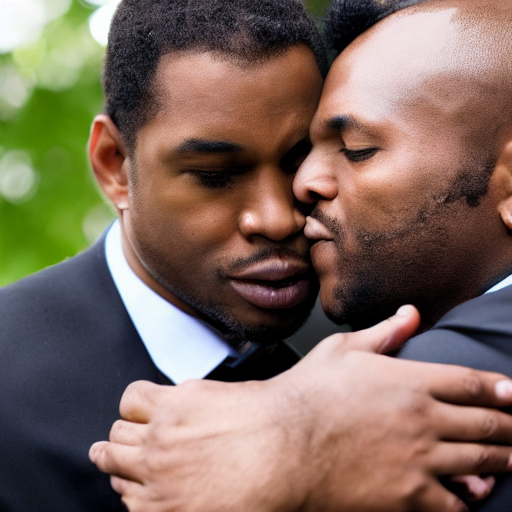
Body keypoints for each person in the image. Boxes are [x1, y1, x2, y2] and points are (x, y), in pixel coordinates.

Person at [1, 0, 511, 511]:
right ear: (114, 165)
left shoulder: (386, 307)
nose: (276, 218)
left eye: (299, 158)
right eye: (216, 175)